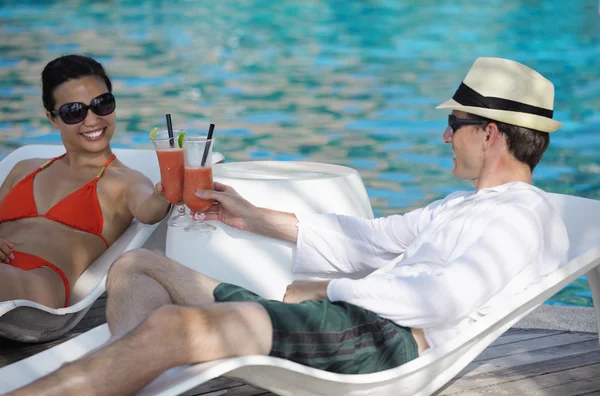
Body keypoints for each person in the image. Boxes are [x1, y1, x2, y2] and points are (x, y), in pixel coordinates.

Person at [8, 57, 570, 395]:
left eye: (455, 124)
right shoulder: (458, 207)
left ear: (490, 134)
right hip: (335, 319)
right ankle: (123, 377)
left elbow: (442, 300)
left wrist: (328, 289)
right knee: (136, 266)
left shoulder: (519, 216)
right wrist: (252, 216)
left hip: (372, 339)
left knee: (174, 327)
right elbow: (368, 239)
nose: (446, 136)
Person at [0, 55, 171, 309]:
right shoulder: (25, 168)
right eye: (74, 112)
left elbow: (150, 210)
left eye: (102, 104)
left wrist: (166, 190)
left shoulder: (125, 182)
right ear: (52, 118)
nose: (92, 120)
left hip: (38, 284)